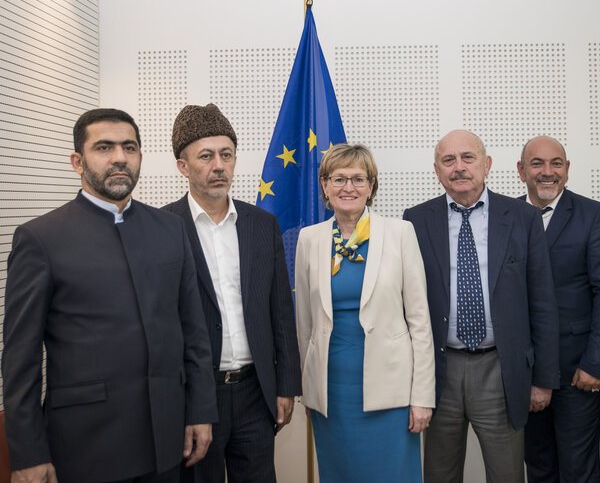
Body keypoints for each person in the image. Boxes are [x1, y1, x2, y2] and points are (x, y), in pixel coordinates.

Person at [1, 108, 217, 483]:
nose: (119, 157)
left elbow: (193, 333)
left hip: (168, 441)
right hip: (86, 447)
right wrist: (28, 452)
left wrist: (200, 411)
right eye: (104, 147)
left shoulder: (170, 230)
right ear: (77, 161)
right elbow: (21, 360)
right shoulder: (41, 239)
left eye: (129, 147)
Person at [403, 129, 559, 483]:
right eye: (449, 160)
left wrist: (544, 380)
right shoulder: (415, 220)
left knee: (506, 474)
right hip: (440, 370)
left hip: (501, 370)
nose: (459, 167)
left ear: (486, 165)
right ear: (437, 170)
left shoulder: (523, 217)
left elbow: (543, 302)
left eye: (468, 158)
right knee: (439, 474)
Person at [162, 104, 302, 482]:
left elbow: (280, 310)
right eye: (205, 156)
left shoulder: (262, 224)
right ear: (183, 166)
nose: (218, 165)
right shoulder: (160, 228)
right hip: (194, 399)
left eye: (226, 155)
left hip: (256, 394)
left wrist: (287, 385)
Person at [294, 144, 435, 482]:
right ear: (325, 186)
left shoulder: (401, 233)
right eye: (339, 178)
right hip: (332, 394)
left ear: (371, 186)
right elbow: (304, 325)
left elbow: (420, 322)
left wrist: (422, 398)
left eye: (358, 179)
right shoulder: (309, 239)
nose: (348, 187)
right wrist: (308, 388)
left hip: (392, 394)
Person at [516, 136, 600, 482]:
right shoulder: (508, 217)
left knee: (579, 471)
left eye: (556, 163)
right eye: (537, 164)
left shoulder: (594, 215)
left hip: (578, 373)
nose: (547, 172)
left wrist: (596, 363)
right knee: (538, 467)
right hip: (525, 371)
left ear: (567, 169)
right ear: (521, 171)